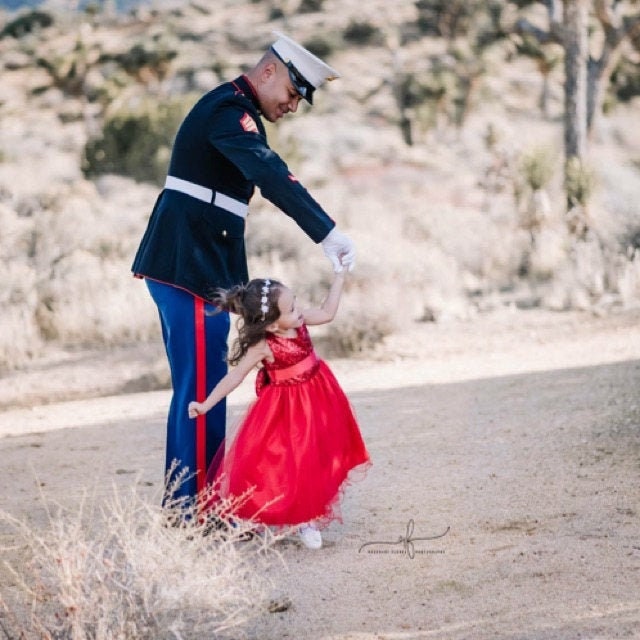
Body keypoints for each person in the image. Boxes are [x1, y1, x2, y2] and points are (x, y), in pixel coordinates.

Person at [131, 31, 356, 504]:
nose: (294, 105)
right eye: (294, 92)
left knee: (203, 390)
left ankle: (203, 504)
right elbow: (270, 174)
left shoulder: (238, 112)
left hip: (199, 266)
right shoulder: (228, 112)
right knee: (202, 393)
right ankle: (192, 512)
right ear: (268, 70)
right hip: (188, 266)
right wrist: (326, 232)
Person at [187, 273, 370, 549]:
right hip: (286, 409)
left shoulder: (299, 322)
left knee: (317, 455)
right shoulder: (264, 346)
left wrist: (339, 276)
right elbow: (234, 377)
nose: (299, 312)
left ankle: (308, 512)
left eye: (296, 304)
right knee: (288, 462)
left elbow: (327, 312)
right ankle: (296, 517)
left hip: (320, 397)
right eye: (292, 309)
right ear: (272, 325)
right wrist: (205, 404)